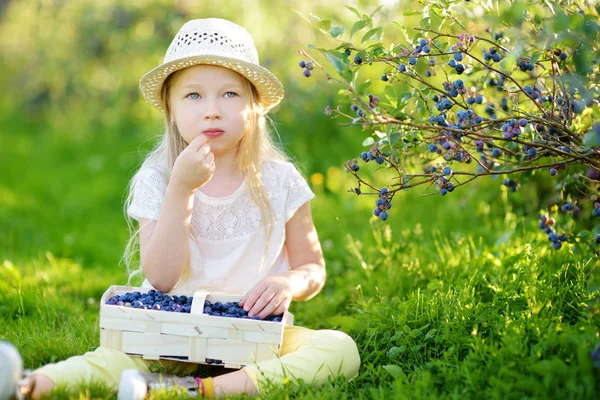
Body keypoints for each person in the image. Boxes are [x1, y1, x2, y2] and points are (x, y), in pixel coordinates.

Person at [0, 18, 361, 400]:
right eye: (193, 96)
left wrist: (288, 282)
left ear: (255, 106)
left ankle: (196, 391)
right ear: (170, 109)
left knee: (339, 349)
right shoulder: (159, 177)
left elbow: (312, 269)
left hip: (253, 339)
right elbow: (162, 278)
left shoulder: (279, 180)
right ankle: (28, 385)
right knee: (110, 361)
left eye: (230, 94)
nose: (212, 111)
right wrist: (181, 189)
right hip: (166, 333)